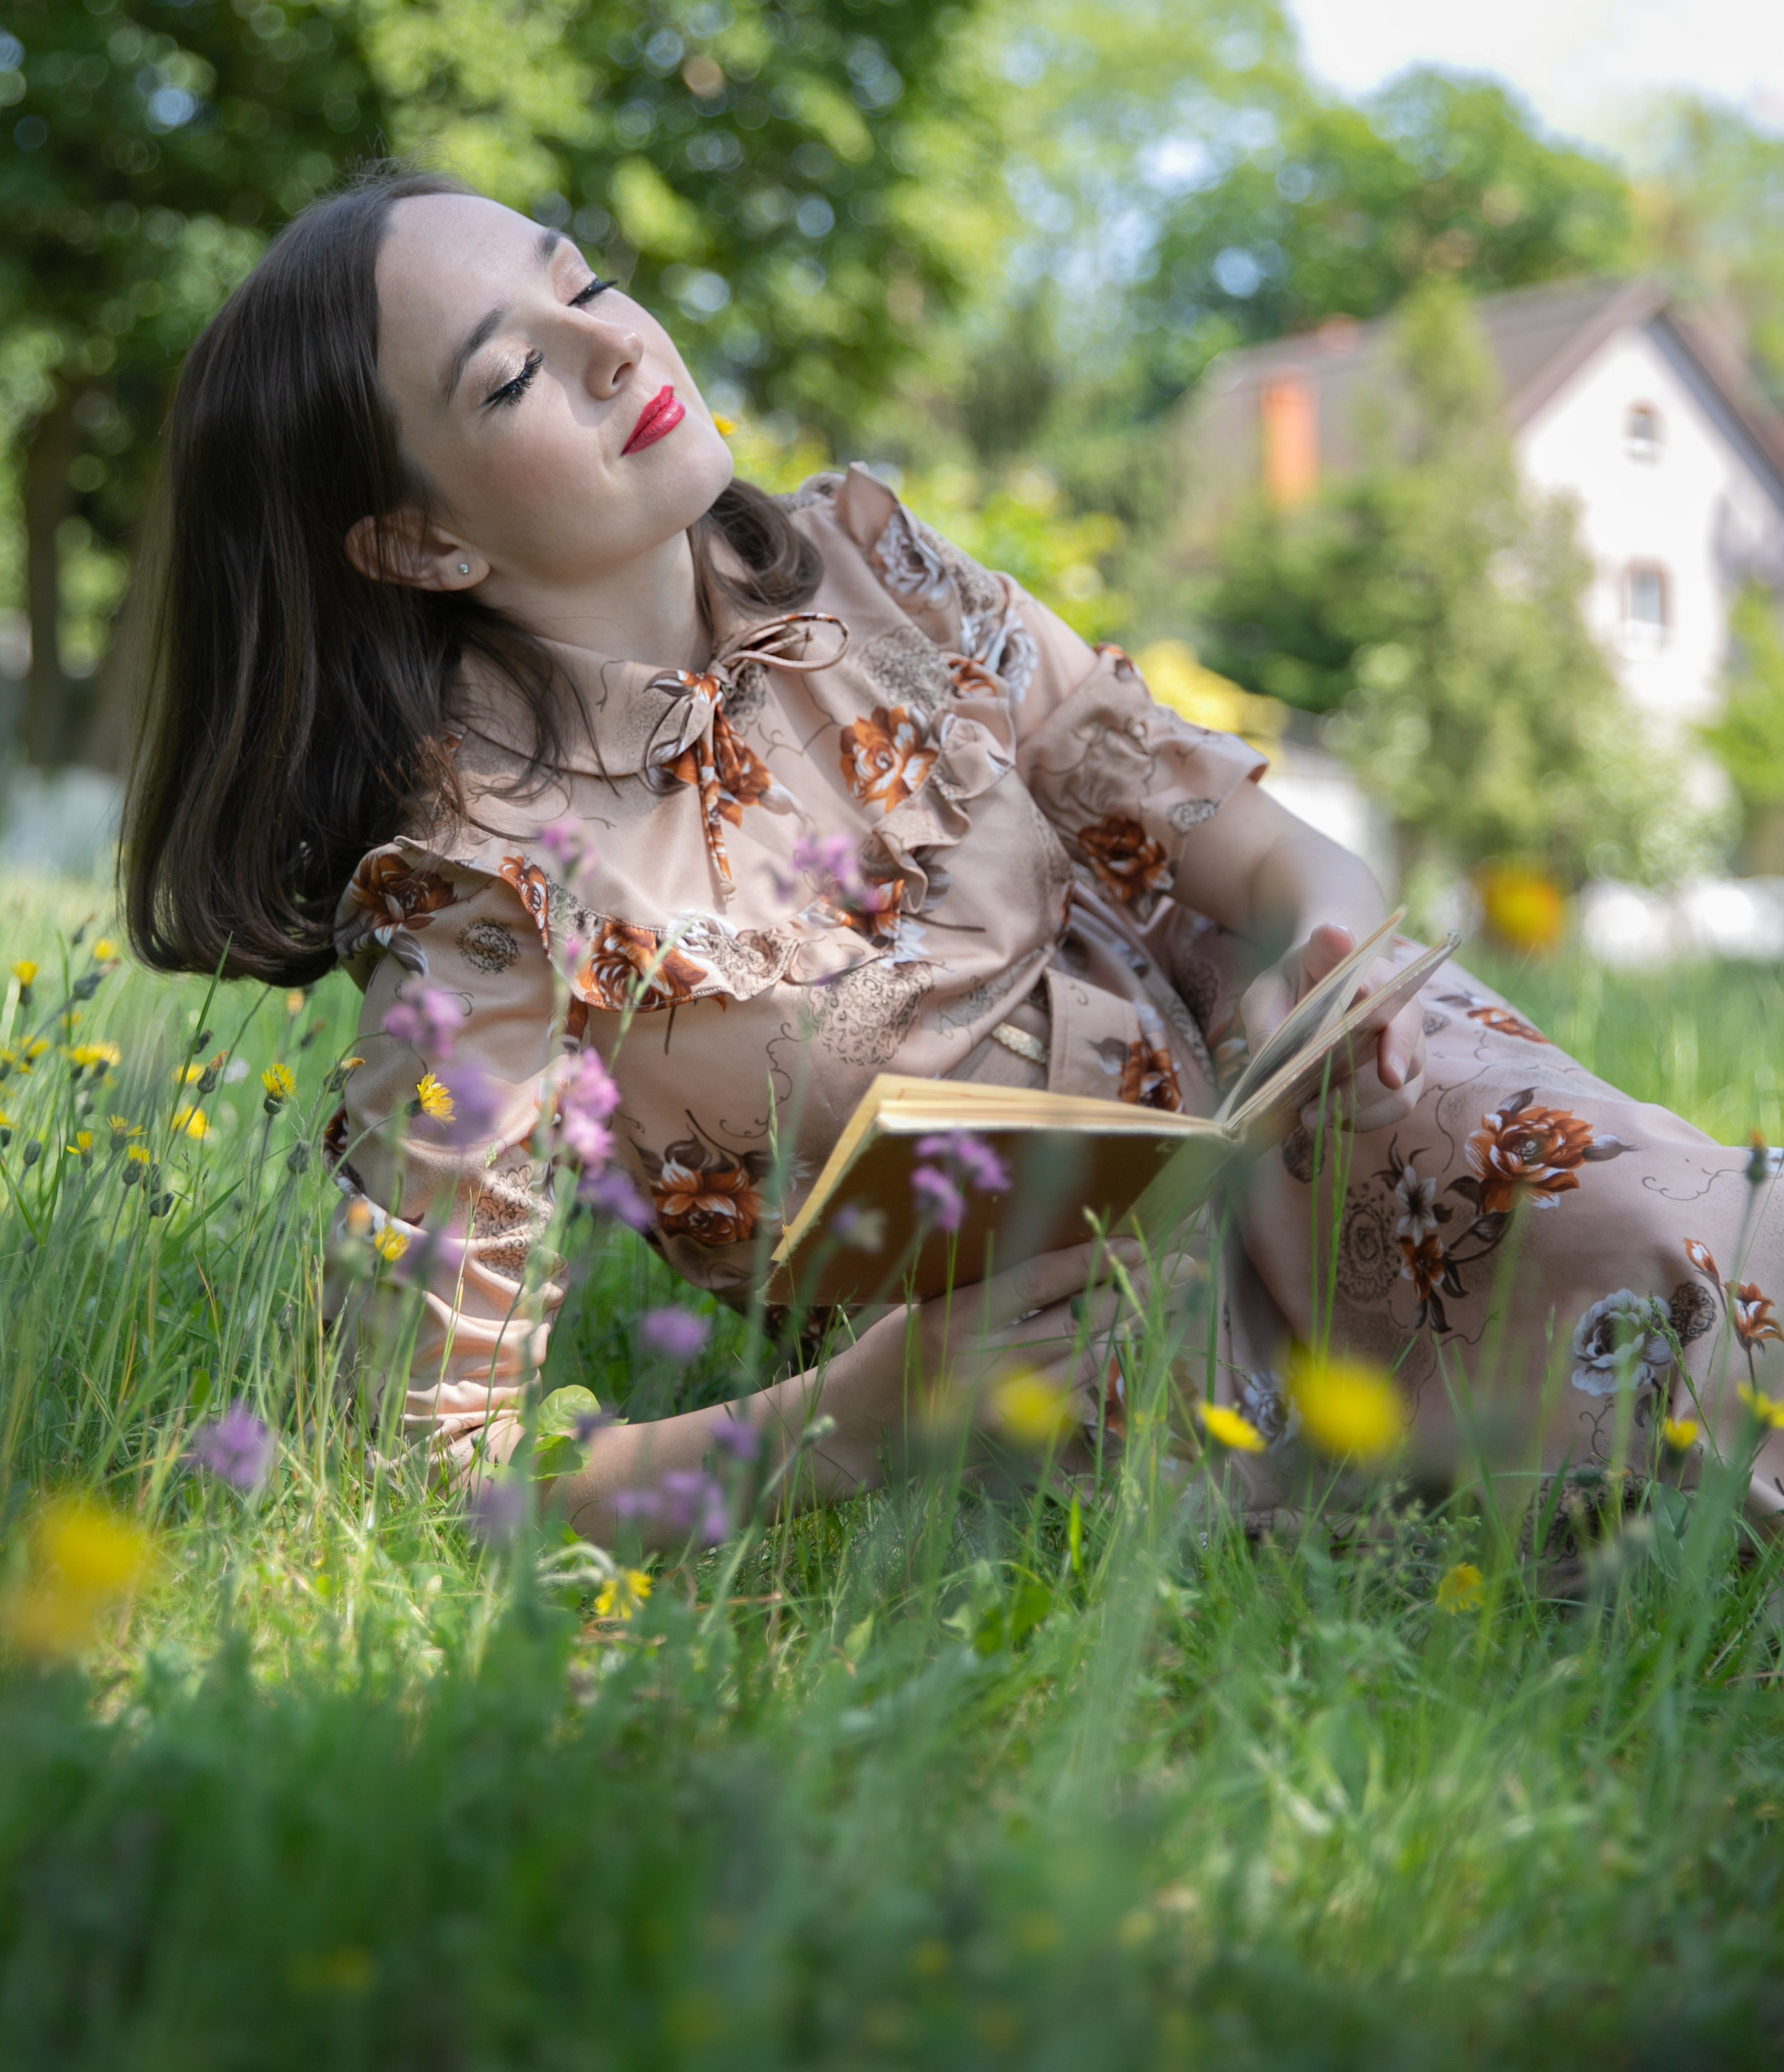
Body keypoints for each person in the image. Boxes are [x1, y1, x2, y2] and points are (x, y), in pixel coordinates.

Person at [125, 171, 1784, 1540]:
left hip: (1314, 1122)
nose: (611, 345)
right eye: (508, 375)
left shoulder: (874, 565)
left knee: (1659, 1246)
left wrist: (1316, 945)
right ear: (419, 538)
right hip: (1046, 1370)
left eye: (584, 283)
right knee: (1539, 1514)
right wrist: (846, 1422)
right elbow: (433, 1480)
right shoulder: (477, 896)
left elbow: (1267, 858)